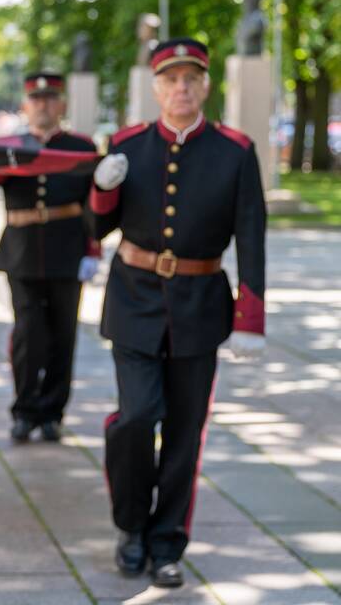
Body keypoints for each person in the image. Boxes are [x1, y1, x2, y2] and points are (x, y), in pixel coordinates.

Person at [86, 38, 266, 588]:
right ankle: (130, 527)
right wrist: (101, 190)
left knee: (186, 432)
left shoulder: (235, 150)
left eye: (190, 79)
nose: (180, 89)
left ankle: (166, 544)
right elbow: (96, 232)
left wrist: (250, 316)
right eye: (170, 79)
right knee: (136, 418)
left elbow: (252, 235)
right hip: (134, 302)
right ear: (156, 86)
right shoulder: (127, 145)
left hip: (200, 306)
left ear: (205, 85)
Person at [0, 73, 100, 443]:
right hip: (22, 250)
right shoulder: (10, 145)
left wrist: (93, 248)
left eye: (51, 99)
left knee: (64, 334)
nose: (44, 105)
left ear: (61, 105)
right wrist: (2, 166)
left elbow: (95, 202)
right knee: (30, 334)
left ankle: (52, 413)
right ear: (26, 106)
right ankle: (24, 410)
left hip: (67, 247)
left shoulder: (80, 146)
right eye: (37, 99)